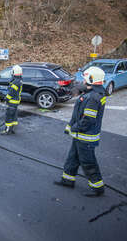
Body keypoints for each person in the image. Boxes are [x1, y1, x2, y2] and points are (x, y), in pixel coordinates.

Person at [54, 67, 107, 197]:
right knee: (72, 159)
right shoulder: (91, 93)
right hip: (80, 136)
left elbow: (87, 120)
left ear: (91, 79)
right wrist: (71, 126)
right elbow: (79, 113)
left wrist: (74, 128)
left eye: (84, 78)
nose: (82, 80)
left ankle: (98, 188)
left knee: (88, 162)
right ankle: (68, 180)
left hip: (86, 137)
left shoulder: (93, 97)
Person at [2, 65, 22, 134]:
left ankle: (7, 130)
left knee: (9, 116)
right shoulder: (19, 80)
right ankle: (11, 129)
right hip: (15, 102)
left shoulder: (15, 82)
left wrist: (6, 98)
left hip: (12, 102)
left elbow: (11, 92)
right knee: (13, 115)